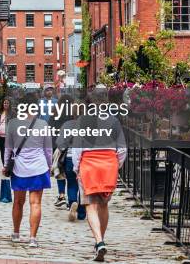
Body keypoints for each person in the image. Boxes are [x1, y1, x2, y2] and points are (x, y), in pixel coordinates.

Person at [72, 90, 127, 261]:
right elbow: (123, 149)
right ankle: (100, 241)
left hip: (89, 164)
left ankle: (99, 241)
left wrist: (76, 168)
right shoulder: (114, 121)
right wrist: (117, 165)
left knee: (90, 206)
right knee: (103, 205)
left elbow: (77, 148)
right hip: (109, 163)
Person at [3, 92, 53, 248]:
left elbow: (8, 149)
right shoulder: (43, 125)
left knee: (18, 202)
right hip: (39, 167)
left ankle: (16, 233)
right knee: (35, 203)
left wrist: (6, 165)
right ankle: (32, 238)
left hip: (19, 168)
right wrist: (49, 166)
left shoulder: (12, 124)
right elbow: (48, 150)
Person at [55, 95, 86, 222]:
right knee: (83, 186)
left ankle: (72, 202)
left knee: (71, 183)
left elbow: (59, 142)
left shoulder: (67, 124)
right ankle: (82, 212)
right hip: (85, 158)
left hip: (69, 157)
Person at [39, 86, 66, 208]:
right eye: (47, 90)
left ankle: (54, 166)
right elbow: (39, 115)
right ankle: (49, 166)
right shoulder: (41, 102)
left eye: (50, 89)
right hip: (46, 127)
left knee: (54, 149)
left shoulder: (56, 102)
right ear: (44, 92)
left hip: (55, 127)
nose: (49, 91)